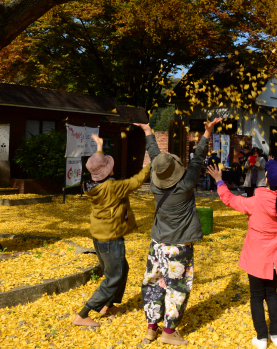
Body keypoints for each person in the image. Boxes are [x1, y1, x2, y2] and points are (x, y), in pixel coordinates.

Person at [207, 160, 277, 349]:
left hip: (257, 256)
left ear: (266, 179)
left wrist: (219, 180)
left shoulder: (256, 201)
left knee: (256, 296)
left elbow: (229, 199)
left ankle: (261, 338)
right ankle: (276, 335)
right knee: (272, 294)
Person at [136, 117, 223, 346]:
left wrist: (147, 131)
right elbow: (197, 159)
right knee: (176, 287)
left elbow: (156, 157)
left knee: (153, 283)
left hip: (157, 242)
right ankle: (168, 331)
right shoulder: (185, 184)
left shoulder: (156, 184)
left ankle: (150, 329)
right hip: (179, 246)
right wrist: (207, 132)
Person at [72, 134, 151, 328]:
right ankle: (83, 314)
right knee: (113, 276)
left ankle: (107, 305)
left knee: (122, 269)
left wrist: (99, 146)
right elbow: (137, 180)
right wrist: (153, 164)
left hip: (100, 237)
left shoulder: (92, 185)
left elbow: (97, 164)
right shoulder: (113, 187)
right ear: (107, 171)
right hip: (111, 239)